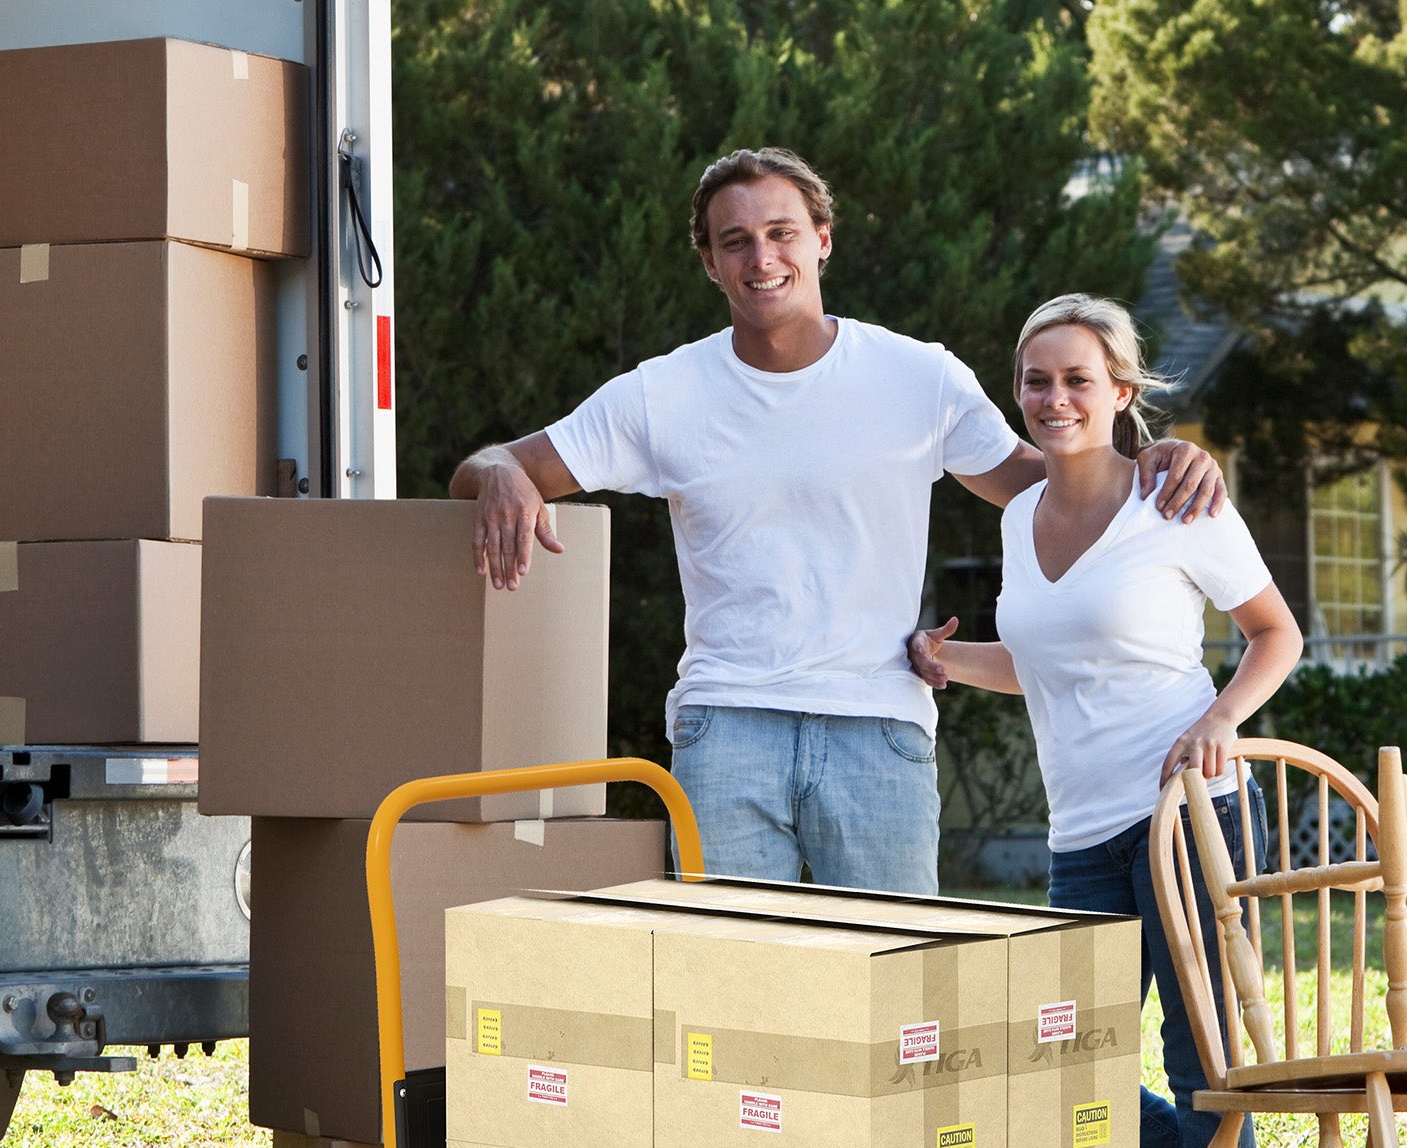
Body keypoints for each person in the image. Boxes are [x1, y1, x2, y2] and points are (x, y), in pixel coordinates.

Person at [450, 147, 1225, 895]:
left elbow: (1050, 482)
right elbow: (480, 468)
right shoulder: (662, 394)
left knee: (896, 997)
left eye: (782, 233)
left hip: (878, 726)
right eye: (737, 241)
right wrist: (504, 476)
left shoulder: (919, 377)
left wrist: (1159, 457)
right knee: (739, 991)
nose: (762, 257)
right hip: (727, 729)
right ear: (710, 263)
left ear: (821, 241)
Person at [907, 293, 1327, 1148]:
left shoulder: (1173, 503)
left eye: (1077, 380)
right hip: (1079, 833)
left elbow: (1275, 633)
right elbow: (1047, 663)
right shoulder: (1016, 518)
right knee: (1064, 1072)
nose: (1054, 398)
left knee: (1202, 1069)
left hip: (1186, 820)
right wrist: (951, 662)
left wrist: (1217, 721)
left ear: (1122, 394)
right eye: (1036, 380)